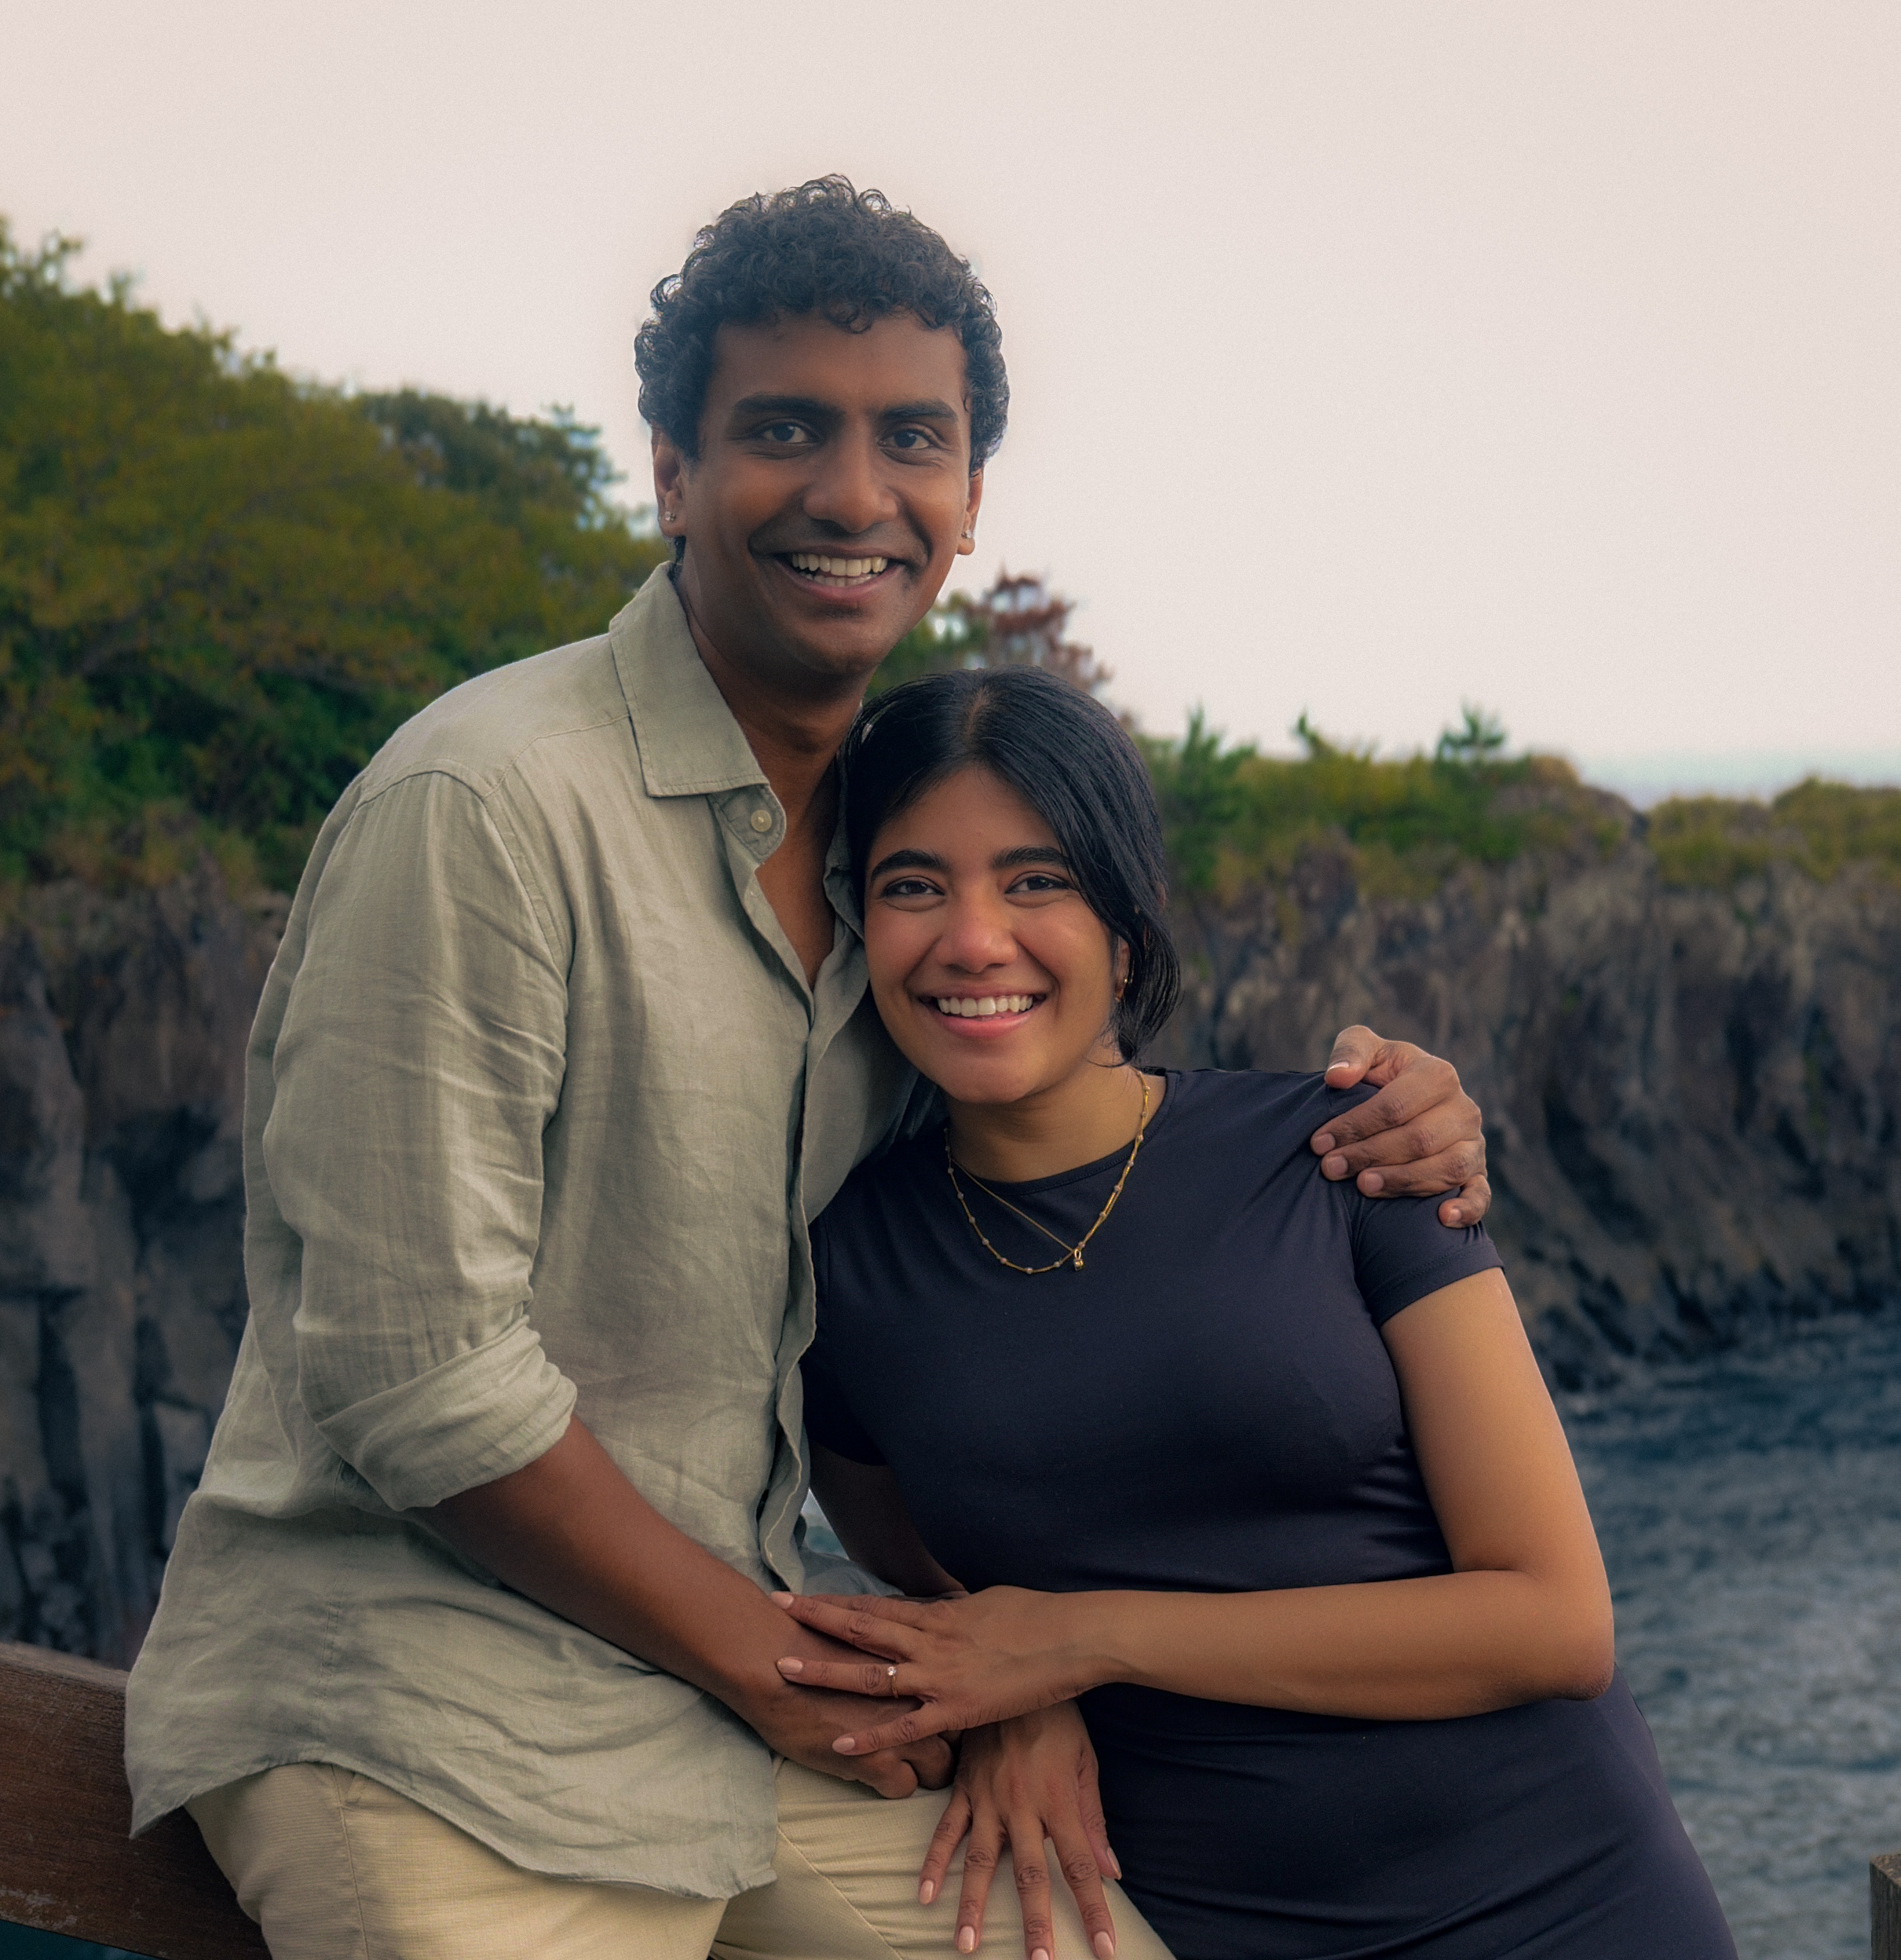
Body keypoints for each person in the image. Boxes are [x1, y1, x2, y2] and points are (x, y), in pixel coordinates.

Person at [124, 178, 1495, 1960]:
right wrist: (784, 1664)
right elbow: (417, 1378)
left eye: (910, 438)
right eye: (784, 429)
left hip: (722, 1702)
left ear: (969, 499)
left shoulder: (901, 869)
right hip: (422, 1717)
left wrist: (994, 1663)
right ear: (672, 473)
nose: (854, 494)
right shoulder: (486, 803)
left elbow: (1041, 1193)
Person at [784, 666, 1738, 1960]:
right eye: (914, 886)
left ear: (1126, 929)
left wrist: (1075, 1641)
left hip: (1564, 1901)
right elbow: (922, 1575)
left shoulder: (1348, 1153)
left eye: (1036, 880)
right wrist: (1013, 1699)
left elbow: (1554, 1623)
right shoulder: (847, 1269)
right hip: (1203, 1927)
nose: (974, 939)